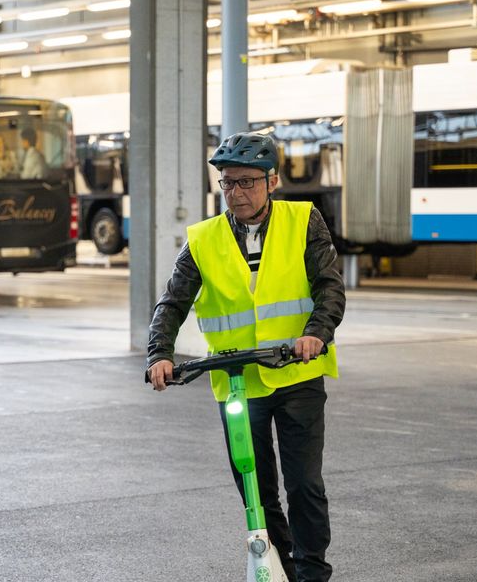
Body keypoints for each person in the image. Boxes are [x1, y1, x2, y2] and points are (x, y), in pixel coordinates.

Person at [146, 132, 345, 582]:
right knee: (256, 489)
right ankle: (281, 567)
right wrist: (159, 352)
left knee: (305, 484)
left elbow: (329, 287)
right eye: (227, 183)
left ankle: (313, 572)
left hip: (296, 374)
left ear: (272, 180)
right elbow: (172, 302)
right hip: (237, 380)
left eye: (246, 182)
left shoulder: (303, 220)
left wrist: (315, 333)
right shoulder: (203, 239)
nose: (235, 193)